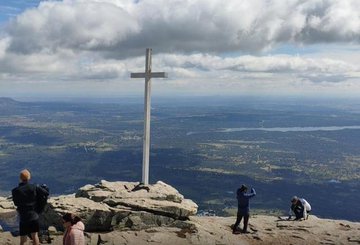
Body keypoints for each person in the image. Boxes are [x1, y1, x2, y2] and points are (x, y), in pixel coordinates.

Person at [12, 169, 49, 245]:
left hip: (23, 216)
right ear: (29, 177)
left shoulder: (15, 190)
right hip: (33, 215)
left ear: (20, 178)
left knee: (22, 239)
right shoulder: (34, 187)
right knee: (35, 236)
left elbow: (16, 203)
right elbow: (46, 193)